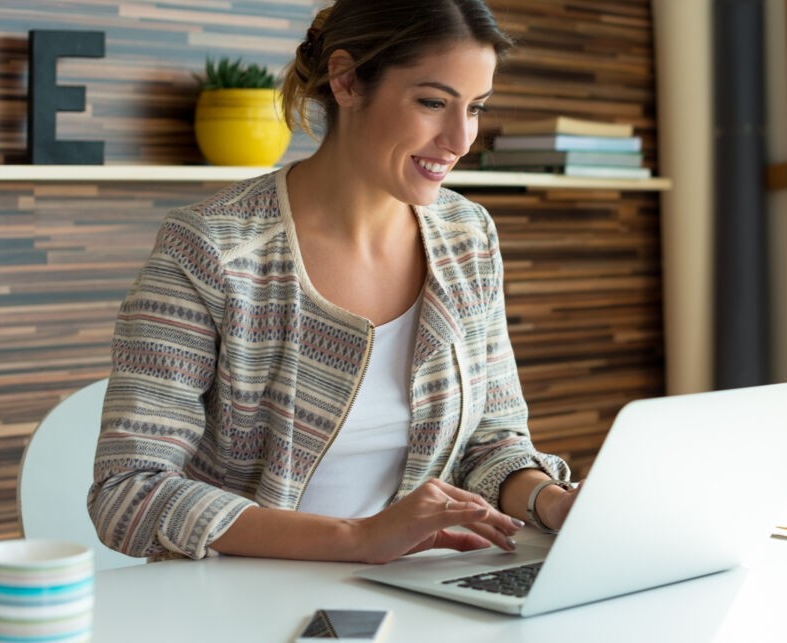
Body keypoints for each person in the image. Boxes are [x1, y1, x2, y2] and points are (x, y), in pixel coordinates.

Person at [88, 0, 580, 564]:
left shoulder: (466, 236)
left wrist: (548, 499)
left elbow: (491, 441)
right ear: (346, 81)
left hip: (417, 590)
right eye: (432, 102)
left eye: (475, 108)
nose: (459, 139)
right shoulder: (212, 249)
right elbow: (129, 488)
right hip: (241, 597)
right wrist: (358, 539)